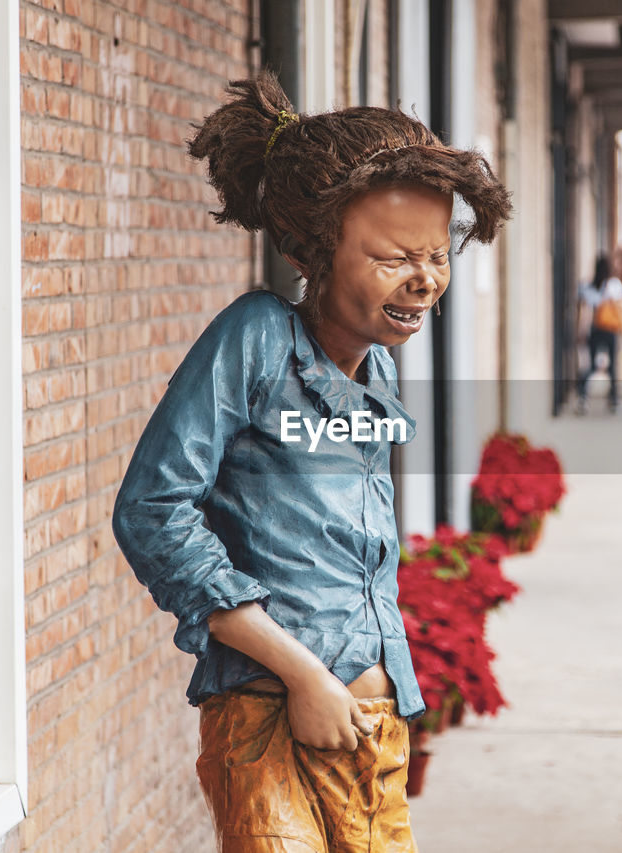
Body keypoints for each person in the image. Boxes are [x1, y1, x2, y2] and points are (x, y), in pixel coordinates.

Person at [111, 71, 511, 853]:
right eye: (395, 256)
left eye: (436, 254)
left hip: (373, 727)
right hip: (269, 711)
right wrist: (302, 675)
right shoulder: (256, 338)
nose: (425, 279)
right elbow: (152, 509)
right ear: (319, 249)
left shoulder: (379, 368)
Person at [576, 255, 622, 413]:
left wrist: (581, 331)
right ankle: (614, 400)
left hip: (595, 330)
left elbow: (585, 312)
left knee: (591, 365)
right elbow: (621, 308)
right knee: (613, 365)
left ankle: (583, 397)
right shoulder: (614, 285)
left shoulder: (588, 287)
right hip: (611, 330)